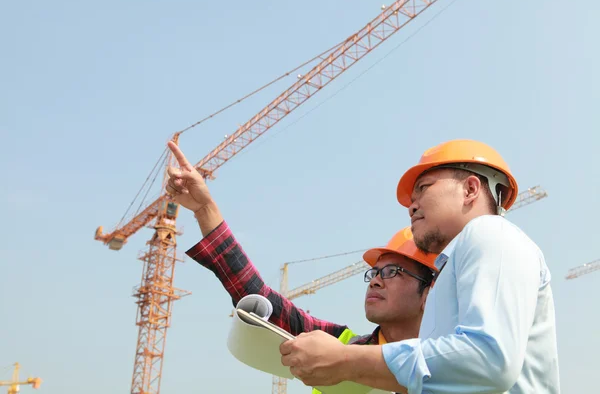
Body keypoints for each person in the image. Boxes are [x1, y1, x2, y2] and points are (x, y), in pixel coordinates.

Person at [278, 139, 560, 394]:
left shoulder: (490, 232)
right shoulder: (453, 272)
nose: (412, 207)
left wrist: (344, 360)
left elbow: (488, 360)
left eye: (423, 189)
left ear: (470, 189)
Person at [164, 140, 439, 393]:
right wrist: (204, 209)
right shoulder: (337, 344)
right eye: (374, 272)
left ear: (429, 293)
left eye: (392, 272)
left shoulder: (458, 367)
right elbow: (257, 297)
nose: (375, 281)